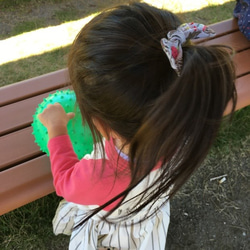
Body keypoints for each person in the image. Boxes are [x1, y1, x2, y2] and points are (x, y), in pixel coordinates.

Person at [38, 2, 238, 250]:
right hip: (148, 208)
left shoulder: (99, 176)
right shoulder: (185, 127)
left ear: (99, 124)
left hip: (114, 222)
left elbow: (65, 183)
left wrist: (56, 129)